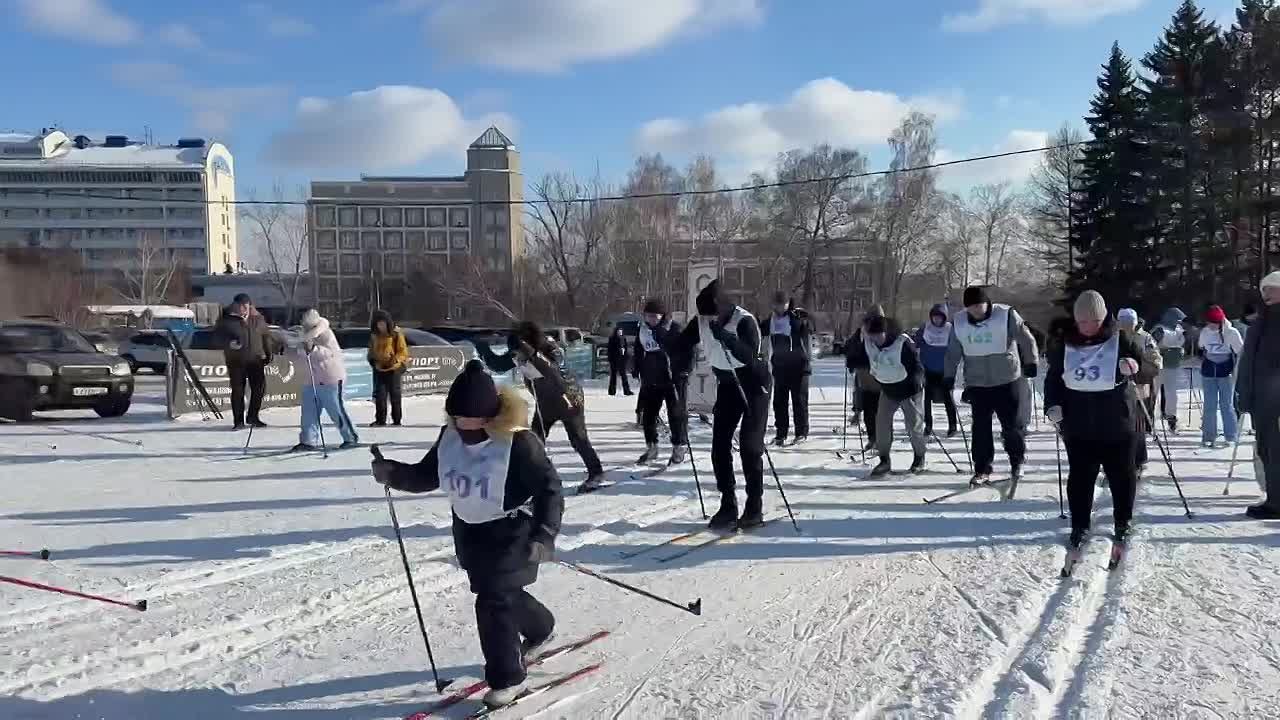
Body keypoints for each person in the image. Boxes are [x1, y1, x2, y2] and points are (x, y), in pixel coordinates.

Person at [370, 360, 563, 708]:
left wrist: (545, 534)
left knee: (493, 602)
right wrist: (394, 473)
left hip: (512, 531)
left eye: (469, 417)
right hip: (470, 532)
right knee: (501, 593)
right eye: (455, 417)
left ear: (489, 415)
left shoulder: (518, 443)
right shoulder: (450, 437)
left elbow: (550, 489)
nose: (461, 424)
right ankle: (541, 627)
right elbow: (429, 474)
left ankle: (509, 679)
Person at [1044, 291, 1151, 552]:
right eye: (1083, 322)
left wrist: (1134, 366)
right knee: (1080, 478)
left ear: (1104, 319)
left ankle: (1122, 521)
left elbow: (1148, 369)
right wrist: (1052, 406)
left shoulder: (1121, 339)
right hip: (1078, 424)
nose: (1089, 327)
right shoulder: (1065, 343)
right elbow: (1053, 378)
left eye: (1094, 322)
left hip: (1117, 422)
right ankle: (1079, 524)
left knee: (1122, 476)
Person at [675, 279, 771, 529]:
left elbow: (749, 356)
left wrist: (727, 338)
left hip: (753, 386)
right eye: (703, 316)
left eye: (710, 314)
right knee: (719, 447)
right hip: (728, 385)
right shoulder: (703, 319)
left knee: (750, 448)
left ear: (721, 305)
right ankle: (728, 503)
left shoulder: (745, 321)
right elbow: (682, 345)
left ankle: (754, 506)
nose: (707, 319)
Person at [475, 321, 607, 492]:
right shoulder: (521, 354)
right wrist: (482, 347)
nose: (515, 355)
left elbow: (552, 371)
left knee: (578, 439)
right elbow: (499, 366)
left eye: (517, 350)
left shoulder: (550, 348)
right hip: (545, 403)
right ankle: (531, 481)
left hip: (569, 400)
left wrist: (530, 353)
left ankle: (596, 472)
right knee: (533, 442)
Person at [944, 286, 1038, 486]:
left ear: (987, 303)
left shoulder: (1006, 315)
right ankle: (982, 468)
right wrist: (949, 376)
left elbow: (1025, 338)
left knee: (1011, 426)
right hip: (978, 383)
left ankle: (1017, 461)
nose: (976, 310)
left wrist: (1031, 362)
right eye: (972, 307)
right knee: (980, 428)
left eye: (979, 305)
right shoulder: (959, 322)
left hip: (1007, 379)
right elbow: (953, 352)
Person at [850, 314, 927, 476]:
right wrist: (852, 359)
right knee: (882, 425)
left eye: (879, 335)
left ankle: (919, 457)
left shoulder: (901, 343)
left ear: (886, 332)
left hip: (909, 390)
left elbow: (917, 366)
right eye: (873, 335)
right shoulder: (869, 344)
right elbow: (862, 358)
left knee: (914, 426)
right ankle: (884, 460)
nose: (876, 339)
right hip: (888, 390)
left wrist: (918, 380)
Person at [1236, 272, 1280, 519]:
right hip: (1262, 399)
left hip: (1276, 401)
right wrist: (1245, 393)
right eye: (1264, 291)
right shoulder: (1263, 321)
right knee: (1266, 449)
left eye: (1272, 289)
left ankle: (1277, 503)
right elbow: (1249, 361)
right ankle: (1274, 497)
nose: (1267, 295)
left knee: (1276, 451)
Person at [293, 309, 359, 451]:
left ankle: (350, 437)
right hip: (310, 379)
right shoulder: (301, 335)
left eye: (304, 321)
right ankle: (308, 440)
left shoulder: (325, 333)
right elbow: (298, 355)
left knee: (336, 411)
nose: (302, 324)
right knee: (308, 413)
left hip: (330, 379)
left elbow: (331, 354)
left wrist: (313, 349)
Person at [633, 299, 689, 465]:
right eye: (648, 316)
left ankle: (679, 447)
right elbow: (638, 350)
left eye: (654, 316)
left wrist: (685, 370)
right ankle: (652, 447)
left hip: (672, 379)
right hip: (651, 379)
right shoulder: (643, 330)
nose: (650, 319)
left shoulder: (674, 328)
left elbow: (687, 350)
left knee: (675, 415)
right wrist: (636, 368)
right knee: (648, 416)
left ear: (662, 316)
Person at [214, 293, 279, 430]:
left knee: (259, 389)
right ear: (235, 305)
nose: (244, 308)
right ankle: (238, 422)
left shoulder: (258, 319)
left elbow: (266, 336)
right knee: (238, 391)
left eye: (247, 305)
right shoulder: (226, 320)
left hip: (255, 360)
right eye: (241, 305)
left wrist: (268, 353)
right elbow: (216, 338)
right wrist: (229, 343)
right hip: (236, 361)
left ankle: (253, 417)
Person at [760, 290, 812, 446]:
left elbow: (809, 329)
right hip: (780, 366)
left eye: (783, 304)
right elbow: (758, 331)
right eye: (777, 304)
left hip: (799, 366)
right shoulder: (770, 320)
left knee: (799, 401)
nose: (780, 307)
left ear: (788, 304)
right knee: (779, 402)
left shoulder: (796, 318)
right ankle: (780, 433)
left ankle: (801, 432)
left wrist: (805, 320)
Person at [1116, 308, 1163, 476]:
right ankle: (1118, 459)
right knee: (1118, 423)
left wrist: (1139, 366)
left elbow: (1156, 362)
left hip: (1140, 383)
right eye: (1122, 323)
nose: (1125, 327)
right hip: (1117, 386)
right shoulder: (1113, 337)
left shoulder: (1145, 338)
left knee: (1137, 423)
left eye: (1129, 323)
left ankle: (1139, 459)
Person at [1197, 305, 1244, 449]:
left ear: (1220, 322)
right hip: (1209, 371)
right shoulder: (1205, 332)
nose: (1210, 326)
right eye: (1208, 322)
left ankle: (1231, 435)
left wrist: (1237, 370)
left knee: (1226, 404)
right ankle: (1208, 436)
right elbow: (1202, 347)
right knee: (1209, 405)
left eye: (1213, 323)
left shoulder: (1231, 332)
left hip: (1226, 372)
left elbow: (1240, 351)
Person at [845, 307, 885, 452]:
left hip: (882, 377)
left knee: (881, 412)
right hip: (865, 376)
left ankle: (882, 440)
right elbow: (851, 348)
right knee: (869, 410)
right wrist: (851, 360)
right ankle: (872, 438)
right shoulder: (860, 333)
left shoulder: (886, 332)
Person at [916, 304, 957, 438]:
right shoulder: (925, 328)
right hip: (928, 369)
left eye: (939, 317)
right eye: (934, 317)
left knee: (948, 398)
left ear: (944, 318)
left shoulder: (950, 329)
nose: (937, 320)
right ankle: (928, 425)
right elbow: (917, 341)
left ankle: (952, 425)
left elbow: (956, 347)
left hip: (945, 370)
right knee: (927, 399)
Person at [367, 310, 409, 427]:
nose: (380, 326)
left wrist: (395, 359)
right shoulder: (374, 336)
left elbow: (403, 351)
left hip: (394, 368)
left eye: (383, 323)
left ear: (388, 323)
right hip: (380, 368)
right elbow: (371, 352)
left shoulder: (396, 334)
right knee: (380, 395)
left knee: (395, 394)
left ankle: (397, 419)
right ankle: (380, 420)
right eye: (378, 324)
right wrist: (373, 361)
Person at [1150, 307, 1188, 432]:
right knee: (1153, 392)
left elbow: (1181, 344)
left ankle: (1171, 418)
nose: (1178, 322)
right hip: (1158, 366)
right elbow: (1151, 346)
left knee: (1171, 394)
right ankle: (1149, 419)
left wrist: (1181, 350)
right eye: (1177, 320)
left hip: (1173, 366)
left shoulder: (1179, 330)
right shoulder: (1160, 330)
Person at [606, 326, 632, 397]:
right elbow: (610, 350)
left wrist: (625, 356)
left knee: (624, 376)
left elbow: (625, 348)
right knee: (613, 376)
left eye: (621, 331)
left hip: (621, 360)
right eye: (618, 331)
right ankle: (612, 391)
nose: (620, 333)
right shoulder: (612, 339)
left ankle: (627, 391)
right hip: (614, 360)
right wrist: (610, 359)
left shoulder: (623, 339)